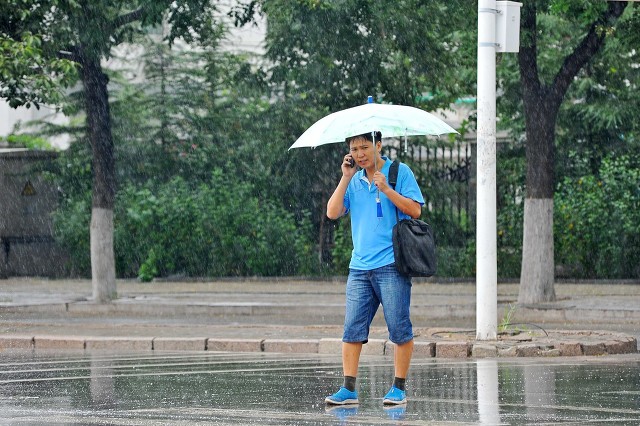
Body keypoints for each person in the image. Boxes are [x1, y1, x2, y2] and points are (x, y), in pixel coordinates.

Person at [324, 131, 424, 406]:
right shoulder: (353, 180)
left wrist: (387, 190)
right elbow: (332, 212)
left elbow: (415, 211)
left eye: (364, 147)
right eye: (354, 149)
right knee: (352, 329)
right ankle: (348, 389)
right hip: (359, 268)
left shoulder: (399, 172)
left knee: (399, 328)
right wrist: (345, 177)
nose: (359, 154)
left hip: (392, 265)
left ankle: (399, 388)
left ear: (378, 145)